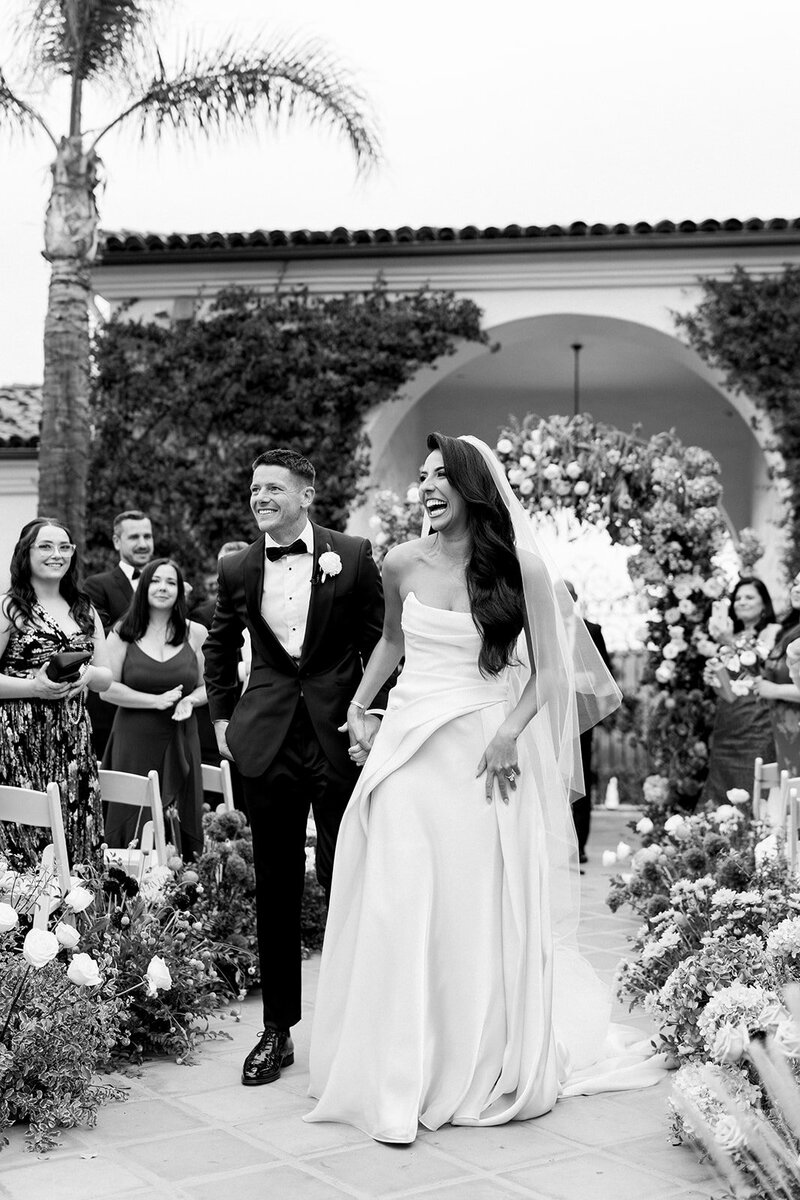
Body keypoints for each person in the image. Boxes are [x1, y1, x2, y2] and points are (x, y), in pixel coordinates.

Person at [305, 433, 666, 1144]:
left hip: (481, 753)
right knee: (397, 891)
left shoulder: (520, 569)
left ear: (473, 489)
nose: (428, 487)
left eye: (443, 476)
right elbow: (393, 644)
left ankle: (471, 1054)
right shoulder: (401, 561)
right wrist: (359, 702)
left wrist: (509, 732)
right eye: (424, 476)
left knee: (470, 902)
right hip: (408, 742)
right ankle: (396, 1062)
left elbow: (554, 676)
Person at [202, 447, 388, 1088]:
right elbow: (222, 644)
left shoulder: (354, 554)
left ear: (306, 495)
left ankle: (356, 1027)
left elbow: (381, 643)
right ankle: (276, 1030)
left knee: (347, 878)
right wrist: (224, 719)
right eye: (254, 488)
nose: (260, 498)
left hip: (340, 738)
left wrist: (376, 716)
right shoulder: (238, 566)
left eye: (273, 488)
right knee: (276, 885)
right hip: (268, 741)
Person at [0, 518, 112, 866]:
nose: (56, 554)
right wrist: (33, 687)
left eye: (64, 547)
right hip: (19, 738)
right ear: (26, 553)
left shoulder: (85, 610)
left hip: (73, 737)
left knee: (74, 831)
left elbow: (107, 678)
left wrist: (89, 673)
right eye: (45, 546)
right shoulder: (10, 608)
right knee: (23, 836)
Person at [101, 558, 208, 861]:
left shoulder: (195, 633)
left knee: (179, 816)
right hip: (133, 739)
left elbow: (209, 686)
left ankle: (178, 895)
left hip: (181, 735)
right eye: (156, 580)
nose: (163, 587)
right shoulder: (124, 631)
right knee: (131, 813)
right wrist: (155, 701)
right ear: (144, 586)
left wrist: (189, 701)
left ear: (180, 591)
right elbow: (107, 688)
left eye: (171, 582)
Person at [702, 577, 781, 804]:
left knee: (754, 786)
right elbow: (729, 689)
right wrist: (714, 675)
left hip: (758, 723)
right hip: (728, 723)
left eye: (749, 597)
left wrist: (727, 641)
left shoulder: (774, 632)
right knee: (722, 790)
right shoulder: (730, 636)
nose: (742, 602)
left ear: (764, 604)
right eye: (738, 598)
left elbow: (763, 672)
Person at [84, 510, 155, 755]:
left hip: (160, 702)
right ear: (117, 542)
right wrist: (150, 602)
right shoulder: (96, 585)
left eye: (148, 536)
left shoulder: (169, 584)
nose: (143, 544)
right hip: (111, 708)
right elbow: (100, 638)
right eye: (134, 537)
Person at [564, 580, 614, 864]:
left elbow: (604, 671)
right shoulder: (541, 627)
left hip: (582, 711)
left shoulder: (592, 631)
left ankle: (579, 846)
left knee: (581, 776)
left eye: (567, 596)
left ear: (574, 599)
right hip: (550, 711)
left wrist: (601, 707)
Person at [754, 571, 800, 774]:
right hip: (780, 726)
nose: (797, 590)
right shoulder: (787, 629)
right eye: (796, 583)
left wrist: (774, 690)